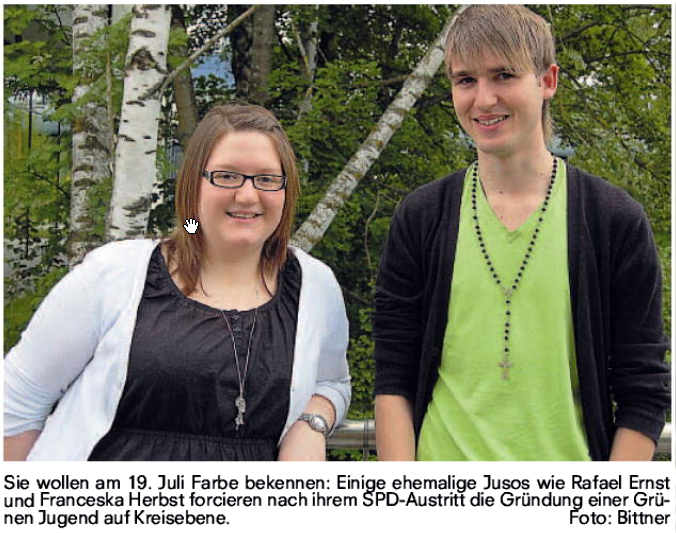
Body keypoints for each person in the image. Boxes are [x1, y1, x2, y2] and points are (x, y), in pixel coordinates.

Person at [373, 5, 669, 461]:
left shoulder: (613, 220)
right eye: (465, 80)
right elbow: (394, 375)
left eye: (504, 75)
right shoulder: (422, 216)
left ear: (548, 81)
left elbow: (643, 389)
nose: (483, 99)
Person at [5, 105, 351, 461]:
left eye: (266, 179)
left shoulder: (314, 287)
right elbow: (17, 402)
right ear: (192, 184)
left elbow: (332, 383)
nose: (248, 195)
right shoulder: (114, 273)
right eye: (226, 176)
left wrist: (312, 423)